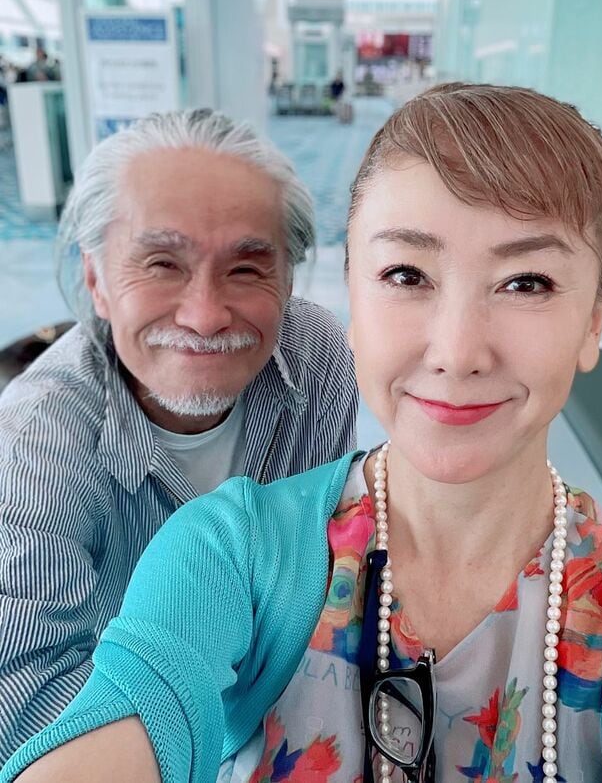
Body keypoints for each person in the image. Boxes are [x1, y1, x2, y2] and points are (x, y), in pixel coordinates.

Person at [4, 84, 602, 783]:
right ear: (354, 294)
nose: (457, 353)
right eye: (406, 274)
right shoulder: (187, 527)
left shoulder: (314, 355)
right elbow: (94, 693)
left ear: (597, 316)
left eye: (527, 282)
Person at [0, 109, 358, 762]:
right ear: (96, 281)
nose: (204, 316)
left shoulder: (318, 361)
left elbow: (332, 556)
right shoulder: (37, 444)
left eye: (246, 270)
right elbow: (26, 706)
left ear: (287, 280)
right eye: (162, 264)